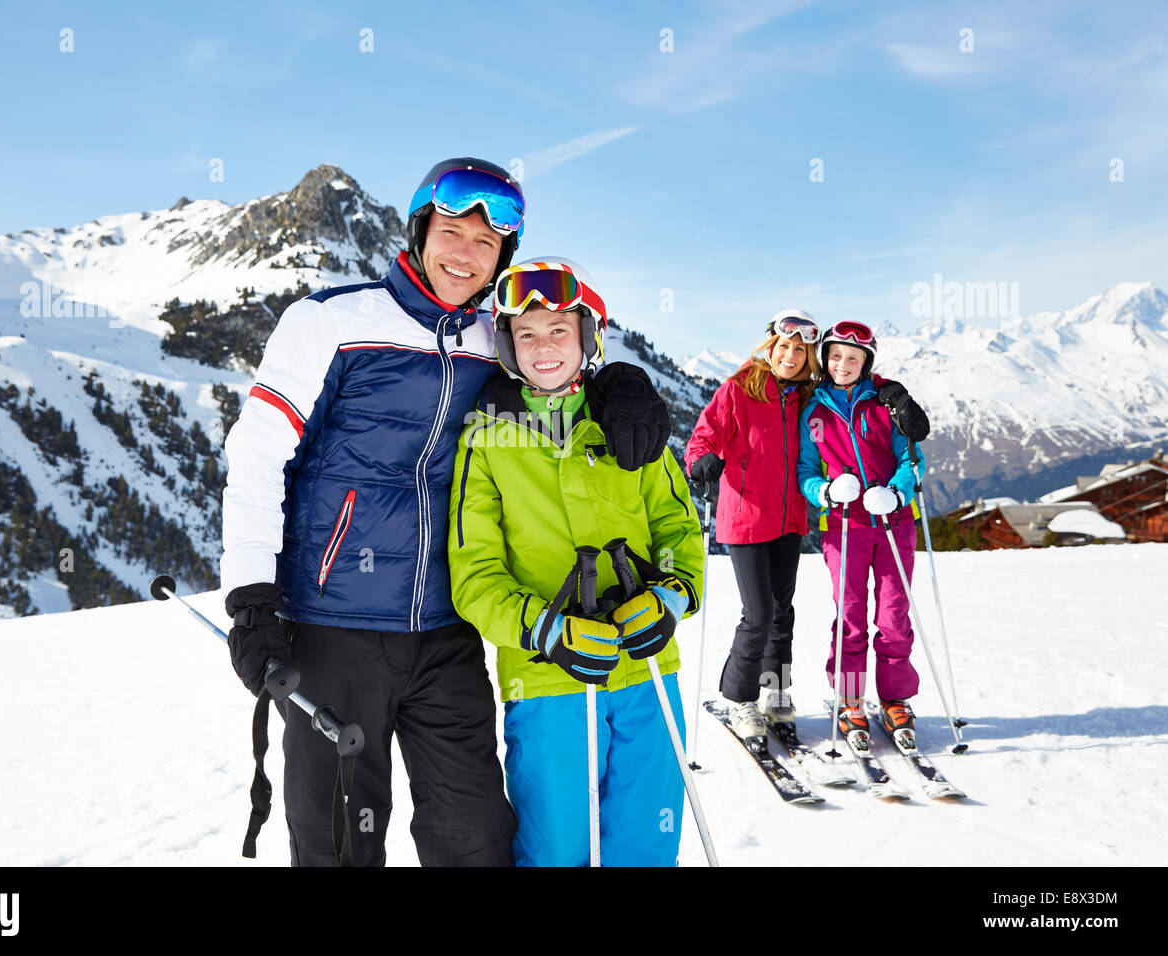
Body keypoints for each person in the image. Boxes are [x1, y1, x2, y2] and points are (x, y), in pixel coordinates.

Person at [218, 158, 673, 867]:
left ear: (502, 258)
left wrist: (622, 384)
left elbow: (558, 360)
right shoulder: (331, 321)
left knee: (477, 841)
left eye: (486, 243)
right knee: (340, 841)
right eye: (453, 231)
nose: (465, 253)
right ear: (420, 229)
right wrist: (251, 600)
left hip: (447, 633)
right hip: (333, 629)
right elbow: (255, 460)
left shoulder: (496, 341)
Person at [449, 258, 704, 867]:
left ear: (587, 337)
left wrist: (670, 597)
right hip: (547, 678)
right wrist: (545, 628)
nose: (544, 347)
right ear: (507, 345)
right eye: (526, 333)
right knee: (557, 847)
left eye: (559, 330)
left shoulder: (628, 426)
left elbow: (678, 531)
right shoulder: (485, 441)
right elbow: (475, 575)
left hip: (647, 669)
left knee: (646, 841)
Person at [684, 310, 821, 740]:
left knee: (783, 615)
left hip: (790, 518)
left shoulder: (807, 397)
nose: (792, 355)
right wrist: (700, 460)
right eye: (785, 346)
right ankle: (741, 699)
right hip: (745, 518)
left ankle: (774, 691)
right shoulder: (738, 390)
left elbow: (856, 393)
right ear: (770, 348)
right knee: (758, 615)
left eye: (801, 349)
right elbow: (703, 437)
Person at [795, 321, 926, 738]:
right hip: (844, 525)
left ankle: (895, 697)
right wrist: (827, 491)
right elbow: (804, 472)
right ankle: (849, 699)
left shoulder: (886, 406)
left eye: (853, 358)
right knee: (850, 616)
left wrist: (897, 494)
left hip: (893, 524)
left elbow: (912, 461)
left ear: (866, 362)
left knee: (893, 614)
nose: (842, 364)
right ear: (825, 359)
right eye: (835, 356)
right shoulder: (812, 412)